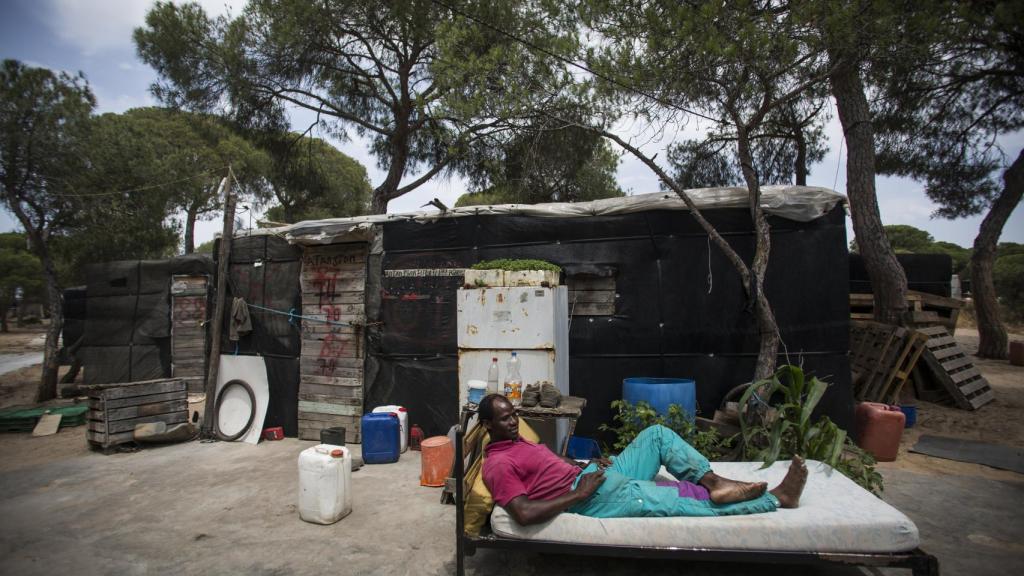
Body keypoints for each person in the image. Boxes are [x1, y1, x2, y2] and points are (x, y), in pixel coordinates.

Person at [479, 394, 808, 526]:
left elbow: (548, 466)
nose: (513, 421)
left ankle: (715, 481)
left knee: (657, 435)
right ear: (487, 425)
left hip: (592, 476)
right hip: (593, 496)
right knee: (681, 499)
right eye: (505, 418)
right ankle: (777, 499)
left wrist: (585, 464)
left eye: (514, 414)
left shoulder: (513, 440)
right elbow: (522, 513)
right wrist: (580, 493)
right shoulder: (498, 466)